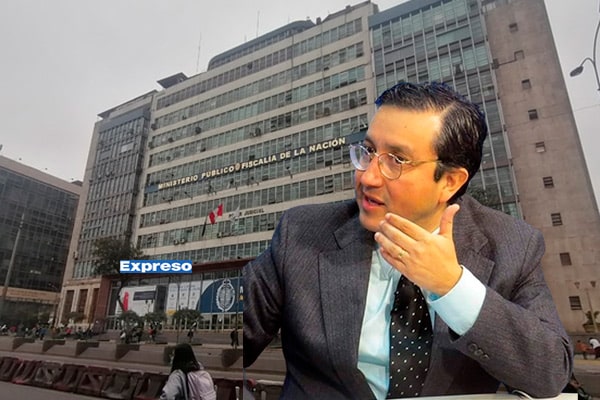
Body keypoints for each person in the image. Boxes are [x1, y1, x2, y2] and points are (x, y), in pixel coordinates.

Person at [243, 81, 573, 399]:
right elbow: (238, 337)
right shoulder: (302, 233)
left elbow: (550, 373)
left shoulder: (512, 245)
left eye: (396, 161)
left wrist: (453, 286)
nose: (367, 177)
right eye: (368, 151)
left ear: (450, 182)